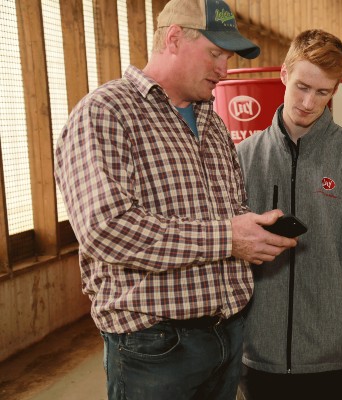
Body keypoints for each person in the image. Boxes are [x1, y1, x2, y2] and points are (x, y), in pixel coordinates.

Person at [53, 0, 297, 399]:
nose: (225, 69)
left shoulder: (212, 122)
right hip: (156, 346)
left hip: (228, 332)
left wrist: (255, 230)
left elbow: (225, 211)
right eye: (215, 53)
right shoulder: (105, 113)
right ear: (173, 39)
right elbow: (106, 228)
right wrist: (228, 238)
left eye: (228, 57)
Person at [236, 29, 342, 400]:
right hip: (260, 359)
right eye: (302, 87)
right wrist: (244, 327)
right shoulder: (243, 158)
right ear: (284, 76)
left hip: (336, 360)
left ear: (335, 90)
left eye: (323, 92)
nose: (308, 102)